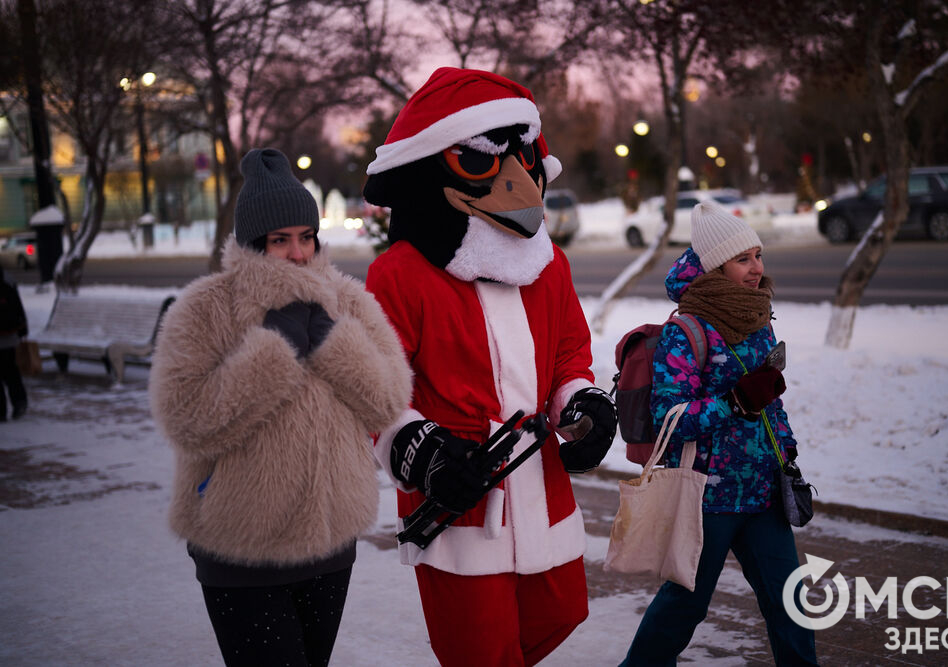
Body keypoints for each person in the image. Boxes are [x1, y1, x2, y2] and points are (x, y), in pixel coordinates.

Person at [362, 67, 618, 666]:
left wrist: (580, 403)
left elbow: (568, 354)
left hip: (540, 488)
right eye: (479, 160)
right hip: (461, 502)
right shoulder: (400, 274)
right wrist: (420, 451)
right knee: (479, 650)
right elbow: (373, 387)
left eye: (523, 157)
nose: (517, 181)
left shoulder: (549, 265)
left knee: (561, 613)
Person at [149, 148, 412, 667]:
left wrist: (335, 344)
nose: (297, 253)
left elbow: (388, 401)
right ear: (254, 242)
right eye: (280, 240)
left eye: (306, 237)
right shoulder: (206, 307)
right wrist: (273, 352)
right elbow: (184, 419)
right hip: (241, 547)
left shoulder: (346, 301)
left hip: (330, 543)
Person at [620, 200, 818, 666]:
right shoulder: (686, 329)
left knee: (790, 604)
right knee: (684, 607)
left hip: (762, 490)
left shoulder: (756, 318)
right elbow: (671, 417)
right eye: (742, 259)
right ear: (715, 267)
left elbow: (769, 403)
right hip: (707, 497)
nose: (756, 268)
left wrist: (785, 452)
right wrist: (733, 402)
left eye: (758, 255)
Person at [0, 266, 29, 421]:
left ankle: (1, 412)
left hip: (6, 335)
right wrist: (23, 327)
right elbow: (17, 304)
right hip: (9, 334)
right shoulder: (7, 278)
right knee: (11, 371)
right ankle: (19, 402)